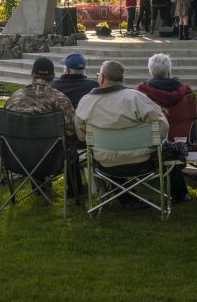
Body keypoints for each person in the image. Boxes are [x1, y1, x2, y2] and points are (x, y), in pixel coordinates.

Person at [75, 60, 186, 205]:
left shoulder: (85, 102)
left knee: (112, 152)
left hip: (104, 162)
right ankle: (179, 194)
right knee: (166, 146)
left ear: (101, 77)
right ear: (122, 79)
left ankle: (125, 198)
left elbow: (82, 135)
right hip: (141, 161)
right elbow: (162, 126)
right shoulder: (136, 98)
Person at [136, 53, 197, 149]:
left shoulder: (142, 92)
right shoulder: (186, 91)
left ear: (151, 71)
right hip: (185, 143)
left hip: (153, 145)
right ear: (168, 71)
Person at [4, 56, 77, 139]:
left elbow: (1, 127)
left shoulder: (15, 97)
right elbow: (72, 130)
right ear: (53, 76)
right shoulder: (61, 99)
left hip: (15, 150)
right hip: (51, 150)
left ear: (32, 74)